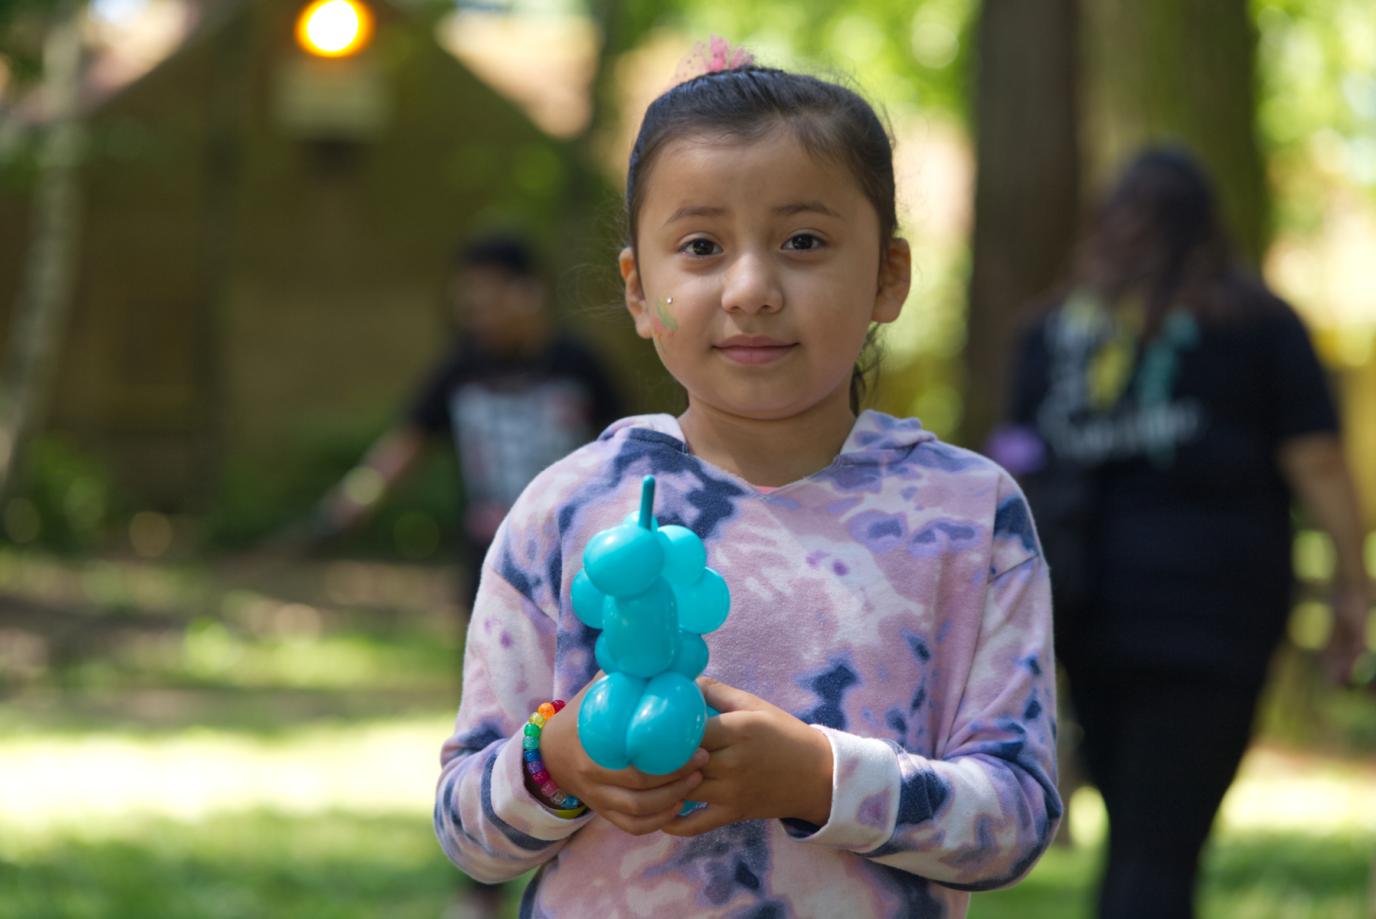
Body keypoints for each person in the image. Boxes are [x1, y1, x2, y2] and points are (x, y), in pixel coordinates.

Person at [433, 50, 1061, 918]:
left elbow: (1018, 821)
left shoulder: (967, 517)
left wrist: (818, 776)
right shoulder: (567, 510)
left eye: (804, 241)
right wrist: (558, 761)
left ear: (889, 274)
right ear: (640, 291)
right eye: (700, 246)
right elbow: (468, 834)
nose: (752, 288)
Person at [991, 147, 1372, 919]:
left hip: (1089, 607)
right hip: (1216, 614)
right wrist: (1351, 585)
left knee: (1139, 830)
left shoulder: (1051, 329)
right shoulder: (1258, 322)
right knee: (1162, 843)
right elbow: (1320, 462)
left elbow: (1013, 462)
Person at [305, 233, 624, 595]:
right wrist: (351, 501)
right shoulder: (460, 370)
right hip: (490, 567)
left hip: (573, 560)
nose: (476, 316)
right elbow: (407, 444)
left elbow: (621, 453)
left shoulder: (579, 366)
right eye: (469, 304)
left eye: (488, 300)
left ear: (528, 293)